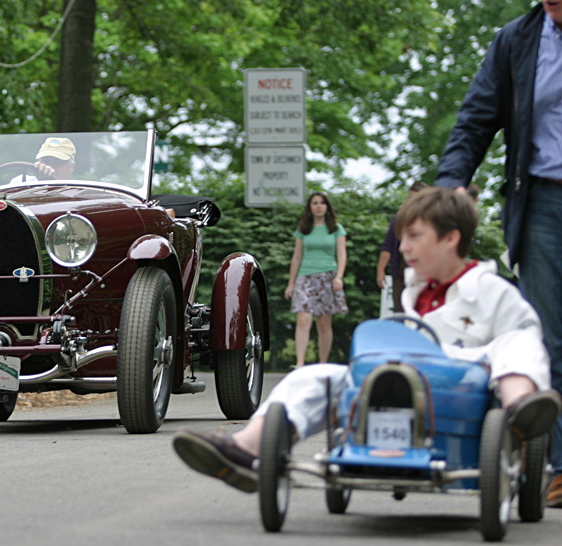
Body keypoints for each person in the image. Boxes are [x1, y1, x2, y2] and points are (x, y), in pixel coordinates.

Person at [172, 187, 561, 494]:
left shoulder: (492, 290)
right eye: (402, 237)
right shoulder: (411, 294)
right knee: (311, 377)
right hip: (406, 384)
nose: (402, 247)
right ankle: (248, 449)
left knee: (518, 342)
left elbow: (524, 338)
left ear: (450, 239)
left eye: (413, 237)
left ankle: (521, 407)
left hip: (468, 385)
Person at [433, 0, 562, 508]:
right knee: (549, 337)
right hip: (543, 203)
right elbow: (476, 119)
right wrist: (451, 186)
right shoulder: (518, 38)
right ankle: (557, 467)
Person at [284, 191, 348, 367]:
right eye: (315, 203)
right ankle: (300, 363)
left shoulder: (336, 229)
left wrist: (339, 277)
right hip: (305, 277)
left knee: (324, 323)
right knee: (303, 319)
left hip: (328, 276)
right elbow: (296, 257)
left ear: (327, 206)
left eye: (322, 203)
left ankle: (323, 364)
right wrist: (291, 283)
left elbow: (342, 254)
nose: (318, 206)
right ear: (310, 208)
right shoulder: (303, 230)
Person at [377, 181, 428, 313]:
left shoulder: (433, 222)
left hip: (424, 274)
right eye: (410, 199)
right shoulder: (399, 219)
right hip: (400, 273)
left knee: (420, 312)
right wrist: (381, 270)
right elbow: (387, 245)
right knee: (400, 313)